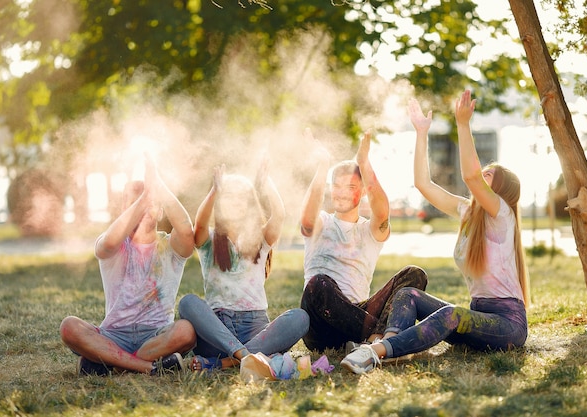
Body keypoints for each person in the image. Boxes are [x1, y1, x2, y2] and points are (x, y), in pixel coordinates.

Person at [341, 90, 531, 374]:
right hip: (477, 317)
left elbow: (470, 175)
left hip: (507, 325)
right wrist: (421, 133)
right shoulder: (469, 213)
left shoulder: (502, 214)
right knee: (407, 295)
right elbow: (423, 184)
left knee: (450, 314)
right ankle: (391, 347)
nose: (480, 180)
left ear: (500, 191)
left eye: (488, 176)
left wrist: (463, 125)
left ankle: (374, 352)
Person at [59, 156, 197, 376]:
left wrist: (157, 185)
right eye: (132, 203)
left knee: (186, 331)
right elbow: (110, 242)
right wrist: (145, 199)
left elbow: (187, 231)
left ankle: (109, 362)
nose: (141, 208)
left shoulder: (170, 246)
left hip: (156, 336)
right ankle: (148, 367)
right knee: (69, 326)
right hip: (114, 335)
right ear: (124, 210)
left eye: (149, 203)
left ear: (160, 210)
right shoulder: (111, 243)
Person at [299, 128, 428, 353]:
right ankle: (381, 339)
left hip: (358, 317)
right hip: (320, 325)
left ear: (363, 191)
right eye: (337, 186)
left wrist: (364, 163)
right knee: (319, 282)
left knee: (414, 274)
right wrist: (322, 167)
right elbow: (307, 217)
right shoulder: (322, 222)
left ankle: (375, 340)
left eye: (350, 187)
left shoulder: (368, 230)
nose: (342, 193)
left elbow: (382, 212)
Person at [178, 162, 309, 372]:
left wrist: (267, 185)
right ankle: (248, 357)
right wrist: (214, 191)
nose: (236, 202)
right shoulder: (210, 240)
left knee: (300, 318)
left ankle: (224, 364)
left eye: (242, 197)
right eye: (229, 196)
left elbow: (279, 215)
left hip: (255, 327)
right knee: (188, 303)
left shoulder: (260, 238)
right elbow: (199, 225)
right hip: (217, 334)